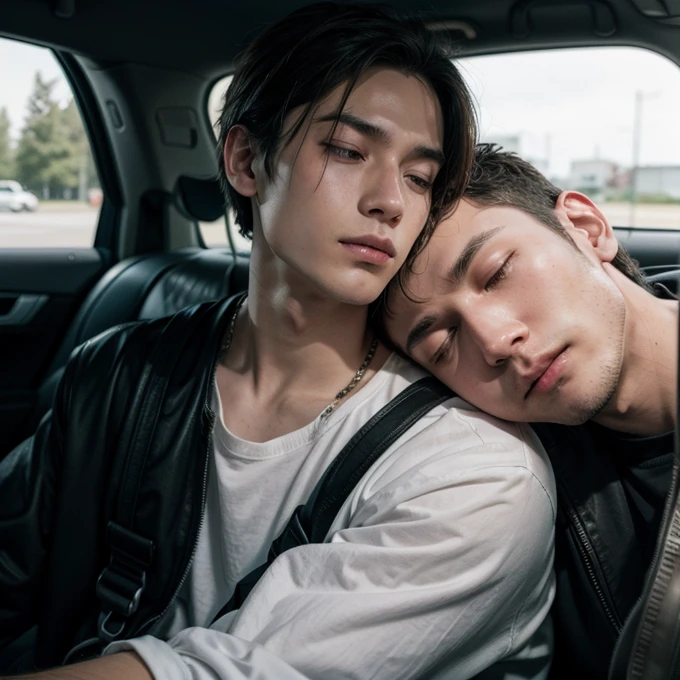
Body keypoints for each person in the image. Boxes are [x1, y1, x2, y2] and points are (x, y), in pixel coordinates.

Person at [0, 9, 557, 680]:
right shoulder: (118, 373)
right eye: (348, 150)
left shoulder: (473, 469)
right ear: (245, 161)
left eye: (419, 177)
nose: (390, 201)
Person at [382, 142, 678, 678]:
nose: (494, 342)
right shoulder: (496, 484)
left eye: (496, 273)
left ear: (587, 229)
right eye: (443, 344)